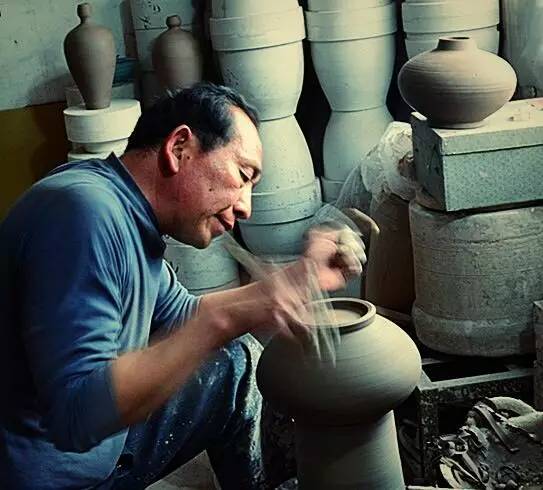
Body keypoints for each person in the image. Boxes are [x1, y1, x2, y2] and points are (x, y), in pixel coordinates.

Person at [0, 83, 365, 489]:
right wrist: (219, 322)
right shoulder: (82, 214)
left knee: (235, 361)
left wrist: (302, 276)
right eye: (243, 175)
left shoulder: (123, 210)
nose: (246, 206)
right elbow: (77, 417)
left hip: (95, 451)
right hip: (49, 476)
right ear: (179, 148)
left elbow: (182, 315)